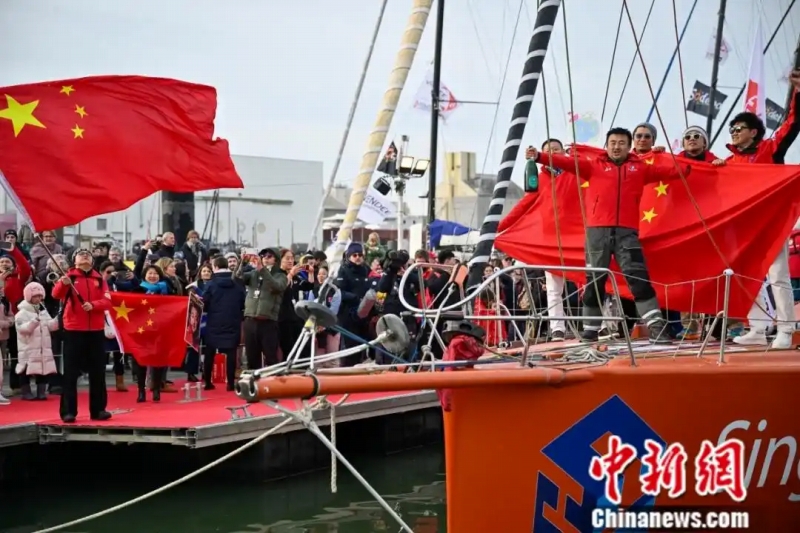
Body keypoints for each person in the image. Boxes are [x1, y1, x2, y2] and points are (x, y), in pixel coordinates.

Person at [527, 127, 690, 343]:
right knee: (595, 281)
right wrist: (539, 156)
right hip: (597, 233)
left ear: (628, 146)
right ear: (607, 145)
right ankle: (590, 330)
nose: (616, 146)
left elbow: (674, 171)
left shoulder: (639, 168)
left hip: (627, 234)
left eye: (622, 142)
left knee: (638, 280)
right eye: (613, 142)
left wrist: (688, 163)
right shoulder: (593, 165)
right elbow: (564, 162)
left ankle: (657, 328)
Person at [727, 71, 800, 349]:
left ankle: (785, 329)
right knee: (747, 277)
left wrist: (798, 94)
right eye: (732, 129)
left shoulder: (771, 148)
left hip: (771, 223)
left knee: (777, 275)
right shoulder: (728, 162)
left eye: (739, 128)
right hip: (744, 228)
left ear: (753, 132)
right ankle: (757, 328)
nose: (734, 132)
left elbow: (794, 123)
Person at [51, 249, 113, 423]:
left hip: (95, 330)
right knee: (70, 372)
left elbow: (108, 301)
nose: (85, 255)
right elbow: (56, 294)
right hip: (74, 329)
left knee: (98, 372)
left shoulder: (99, 280)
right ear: (75, 260)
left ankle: (99, 409)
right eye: (81, 254)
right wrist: (62, 283)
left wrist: (93, 305)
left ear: (92, 261)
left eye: (88, 254)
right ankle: (68, 411)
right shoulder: (69, 277)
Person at [237, 247, 287, 369]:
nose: (265, 258)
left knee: (271, 358)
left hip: (268, 322)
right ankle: (254, 385)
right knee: (251, 358)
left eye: (269, 256)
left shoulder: (281, 275)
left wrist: (262, 270)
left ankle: (273, 386)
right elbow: (237, 279)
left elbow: (277, 286)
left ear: (276, 260)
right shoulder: (253, 274)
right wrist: (242, 262)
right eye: (263, 256)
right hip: (250, 320)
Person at [202, 256, 245, 390]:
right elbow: (243, 301)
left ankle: (208, 382)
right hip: (233, 320)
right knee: (231, 352)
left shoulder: (210, 284)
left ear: (215, 267)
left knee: (209, 352)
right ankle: (230, 383)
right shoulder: (237, 284)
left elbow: (204, 303)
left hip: (214, 321)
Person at [16, 282, 60, 401]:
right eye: (36, 296)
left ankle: (41, 392)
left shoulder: (43, 311)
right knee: (25, 370)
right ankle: (26, 392)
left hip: (42, 347)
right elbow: (23, 329)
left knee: (43, 369)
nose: (39, 299)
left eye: (40, 296)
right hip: (27, 347)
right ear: (29, 296)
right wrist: (34, 321)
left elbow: (50, 326)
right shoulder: (21, 313)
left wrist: (57, 320)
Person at [335, 243, 372, 366]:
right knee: (350, 348)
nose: (357, 257)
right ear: (349, 256)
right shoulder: (343, 270)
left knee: (363, 347)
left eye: (360, 255)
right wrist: (356, 298)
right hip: (348, 314)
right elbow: (338, 292)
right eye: (354, 255)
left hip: (365, 314)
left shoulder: (366, 270)